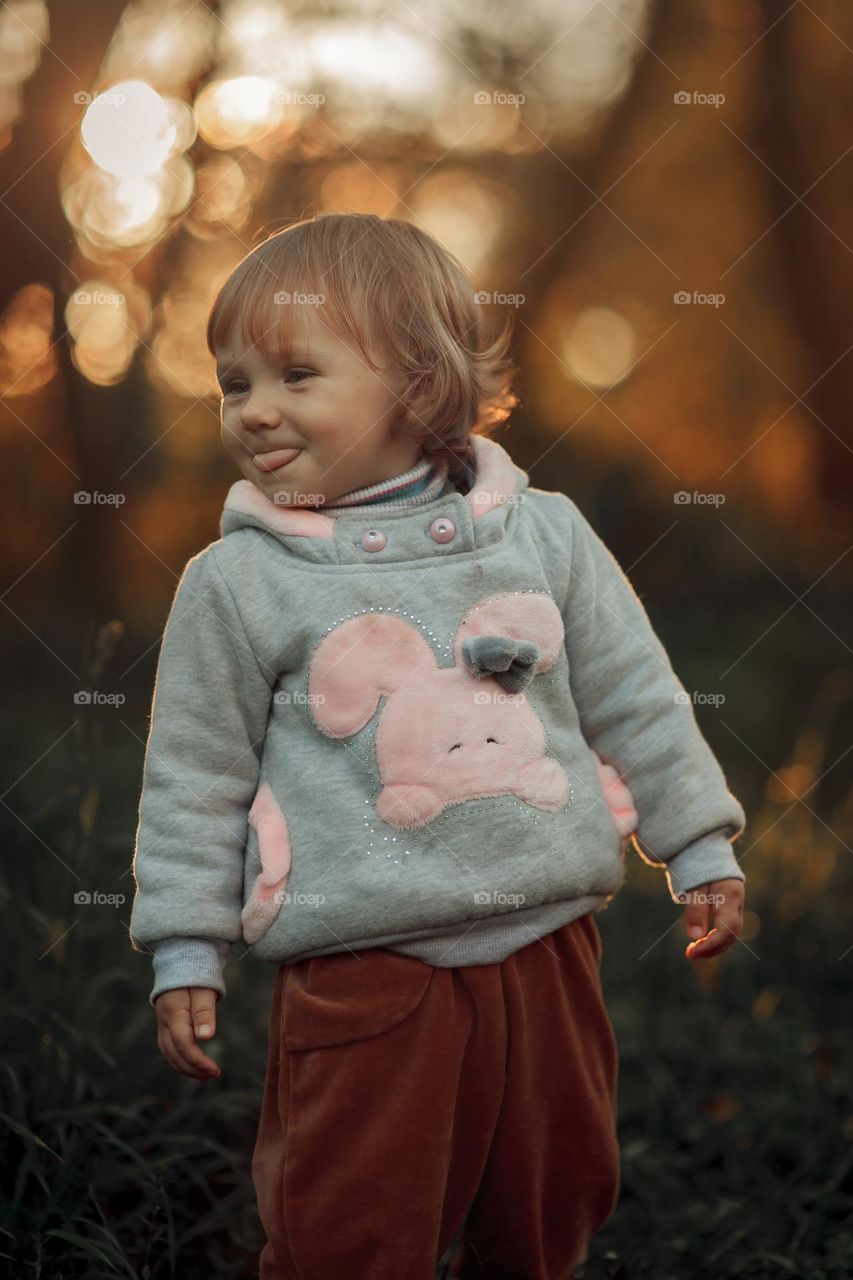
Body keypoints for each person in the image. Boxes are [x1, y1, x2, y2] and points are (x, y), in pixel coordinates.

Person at [129, 211, 747, 1280]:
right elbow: (194, 775)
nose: (254, 409)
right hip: (365, 971)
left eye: (294, 373)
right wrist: (185, 941)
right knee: (350, 1226)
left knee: (548, 1203)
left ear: (415, 383)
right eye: (234, 382)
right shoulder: (237, 583)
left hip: (548, 953)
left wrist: (697, 838)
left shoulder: (543, 531)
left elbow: (635, 695)